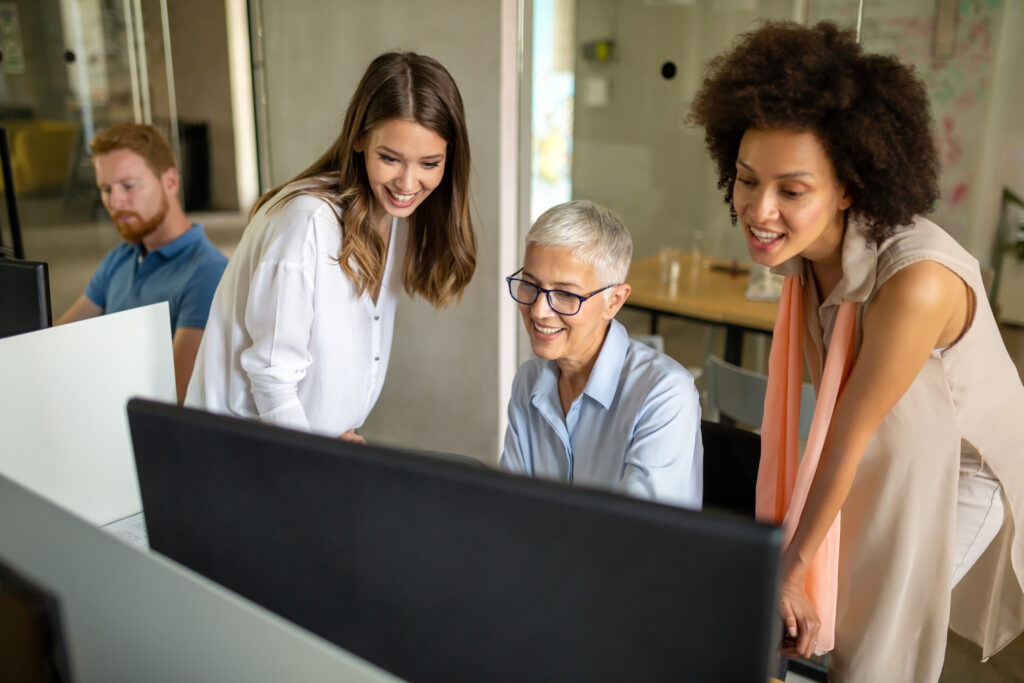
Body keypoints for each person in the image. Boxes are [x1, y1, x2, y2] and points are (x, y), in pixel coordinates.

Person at [689, 21, 1024, 681]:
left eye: (792, 190)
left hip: (963, 464)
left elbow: (847, 437)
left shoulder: (917, 281)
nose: (759, 209)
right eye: (747, 179)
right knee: (829, 609)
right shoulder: (807, 260)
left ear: (847, 186)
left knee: (877, 635)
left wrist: (786, 568)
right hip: (883, 441)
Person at [186, 52, 475, 441]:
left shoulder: (394, 214)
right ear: (358, 138)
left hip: (313, 448)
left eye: (429, 163)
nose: (408, 183)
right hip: (252, 456)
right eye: (390, 158)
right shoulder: (306, 223)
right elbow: (272, 379)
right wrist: (320, 463)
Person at [500, 200, 703, 509]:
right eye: (529, 285)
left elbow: (635, 538)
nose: (539, 311)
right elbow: (509, 508)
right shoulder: (528, 381)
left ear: (614, 301)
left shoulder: (664, 394)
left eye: (566, 295)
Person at [56, 123, 228, 404]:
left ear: (170, 182)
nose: (116, 201)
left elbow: (176, 396)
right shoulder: (120, 258)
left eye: (128, 185)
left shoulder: (207, 272)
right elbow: (57, 339)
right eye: (106, 188)